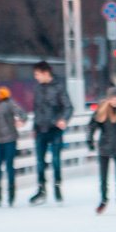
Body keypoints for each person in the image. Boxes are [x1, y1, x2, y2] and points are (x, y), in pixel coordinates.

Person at [29, 61, 73, 205]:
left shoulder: (59, 87)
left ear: (45, 73)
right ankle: (41, 189)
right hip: (41, 129)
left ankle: (57, 187)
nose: (36, 77)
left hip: (55, 130)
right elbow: (36, 109)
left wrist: (63, 119)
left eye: (37, 74)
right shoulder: (37, 88)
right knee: (40, 162)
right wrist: (34, 127)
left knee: (55, 160)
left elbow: (68, 107)